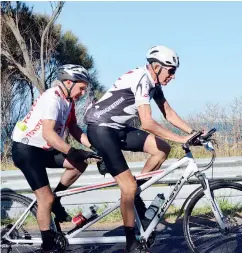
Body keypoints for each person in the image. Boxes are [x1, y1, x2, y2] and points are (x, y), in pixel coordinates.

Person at [84, 45, 198, 253]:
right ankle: (131, 242)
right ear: (156, 67)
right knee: (127, 187)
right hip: (101, 129)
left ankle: (135, 194)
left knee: (162, 149)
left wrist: (193, 132)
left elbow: (168, 113)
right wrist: (181, 138)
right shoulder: (141, 79)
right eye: (170, 71)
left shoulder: (153, 82)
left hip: (117, 128)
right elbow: (146, 122)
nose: (172, 76)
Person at [11, 64, 98, 253]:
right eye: (81, 88)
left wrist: (93, 147)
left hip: (43, 149)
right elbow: (49, 134)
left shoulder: (68, 101)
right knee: (45, 198)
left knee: (79, 164)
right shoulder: (52, 98)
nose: (82, 93)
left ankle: (56, 200)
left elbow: (74, 127)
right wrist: (72, 151)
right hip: (26, 150)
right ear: (68, 82)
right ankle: (47, 246)